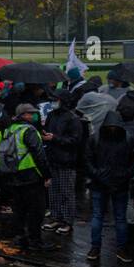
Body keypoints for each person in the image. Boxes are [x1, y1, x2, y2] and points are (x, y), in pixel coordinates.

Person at [85, 111, 134, 263]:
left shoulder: (95, 138)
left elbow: (88, 160)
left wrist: (97, 175)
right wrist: (125, 175)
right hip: (120, 184)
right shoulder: (128, 138)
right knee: (120, 218)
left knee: (97, 216)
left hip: (99, 184)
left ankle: (95, 248)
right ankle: (121, 249)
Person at [4, 103, 53, 253]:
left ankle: (20, 238)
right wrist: (47, 175)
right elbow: (39, 155)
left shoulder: (10, 129)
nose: (33, 116)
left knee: (19, 209)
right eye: (29, 114)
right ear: (23, 115)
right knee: (36, 210)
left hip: (13, 175)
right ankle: (35, 240)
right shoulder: (29, 130)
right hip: (31, 176)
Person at [41, 90, 82, 235]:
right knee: (53, 191)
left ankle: (67, 221)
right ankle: (56, 217)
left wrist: (54, 138)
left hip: (66, 161)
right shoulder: (52, 115)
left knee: (66, 192)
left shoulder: (72, 118)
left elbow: (75, 140)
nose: (53, 102)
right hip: (52, 158)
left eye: (56, 99)